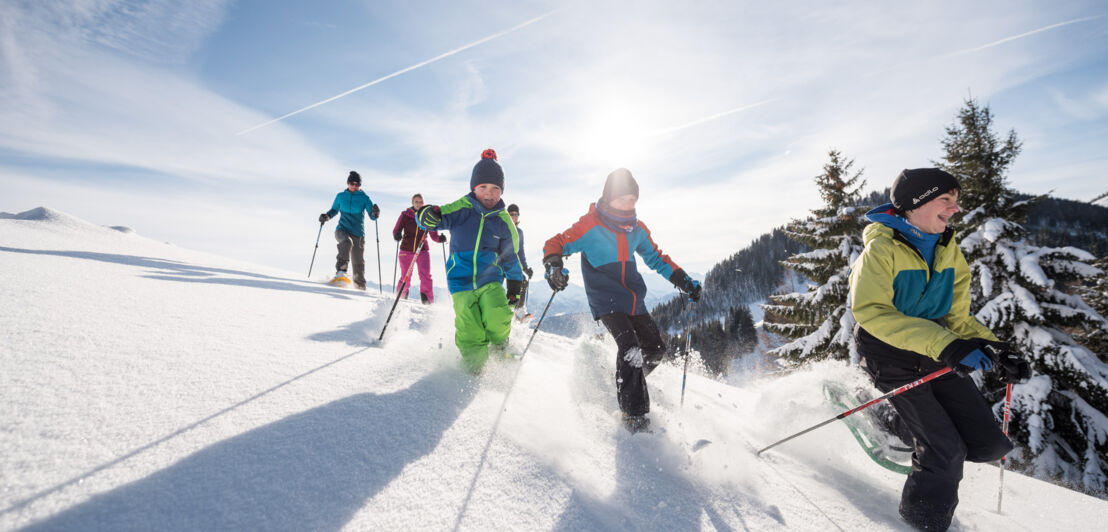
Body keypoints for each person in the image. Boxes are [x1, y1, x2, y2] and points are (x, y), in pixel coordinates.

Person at [849, 168, 1031, 531]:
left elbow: (957, 318)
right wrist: (946, 344)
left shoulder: (949, 251)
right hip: (888, 353)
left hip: (935, 350)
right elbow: (872, 312)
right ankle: (921, 523)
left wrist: (996, 349)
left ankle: (907, 425)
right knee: (946, 453)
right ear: (916, 204)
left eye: (956, 201)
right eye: (945, 200)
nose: (955, 209)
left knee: (988, 446)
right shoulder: (881, 250)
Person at [542, 168, 701, 433]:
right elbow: (556, 243)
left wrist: (683, 280)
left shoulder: (637, 229)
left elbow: (656, 259)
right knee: (631, 349)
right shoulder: (591, 225)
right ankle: (633, 416)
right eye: (622, 199)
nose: (628, 205)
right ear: (608, 198)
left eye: (632, 200)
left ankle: (625, 380)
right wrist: (554, 266)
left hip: (632, 298)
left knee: (655, 348)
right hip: (605, 299)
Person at [415, 150, 526, 374]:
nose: (489, 193)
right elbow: (437, 216)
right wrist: (425, 215)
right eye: (483, 187)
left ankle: (500, 343)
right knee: (469, 327)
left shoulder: (504, 221)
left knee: (497, 312)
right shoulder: (463, 208)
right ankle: (475, 369)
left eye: (496, 188)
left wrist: (515, 283)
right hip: (460, 279)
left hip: (490, 278)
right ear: (474, 188)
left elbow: (510, 255)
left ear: (502, 191)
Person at [319, 171, 380, 290]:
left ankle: (360, 288)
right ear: (348, 183)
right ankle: (341, 271)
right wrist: (326, 216)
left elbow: (372, 216)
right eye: (352, 183)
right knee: (347, 242)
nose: (354, 186)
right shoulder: (341, 196)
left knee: (358, 262)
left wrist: (375, 212)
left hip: (358, 234)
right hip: (342, 230)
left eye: (357, 184)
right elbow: (334, 210)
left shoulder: (364, 198)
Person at [393, 193, 446, 304]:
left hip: (422, 250)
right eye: (416, 202)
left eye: (421, 202)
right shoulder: (405, 214)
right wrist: (397, 234)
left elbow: (433, 235)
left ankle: (427, 301)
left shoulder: (427, 215)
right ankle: (400, 297)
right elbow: (396, 229)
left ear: (423, 203)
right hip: (406, 250)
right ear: (412, 203)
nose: (418, 204)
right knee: (405, 275)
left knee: (425, 275)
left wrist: (439, 239)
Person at [506, 203, 534, 320]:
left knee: (523, 280)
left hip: (512, 263)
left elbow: (520, 252)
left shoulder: (519, 232)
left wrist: (525, 268)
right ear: (507, 215)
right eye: (511, 214)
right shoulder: (503, 228)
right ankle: (505, 311)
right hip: (498, 263)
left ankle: (519, 310)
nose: (514, 217)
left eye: (516, 214)